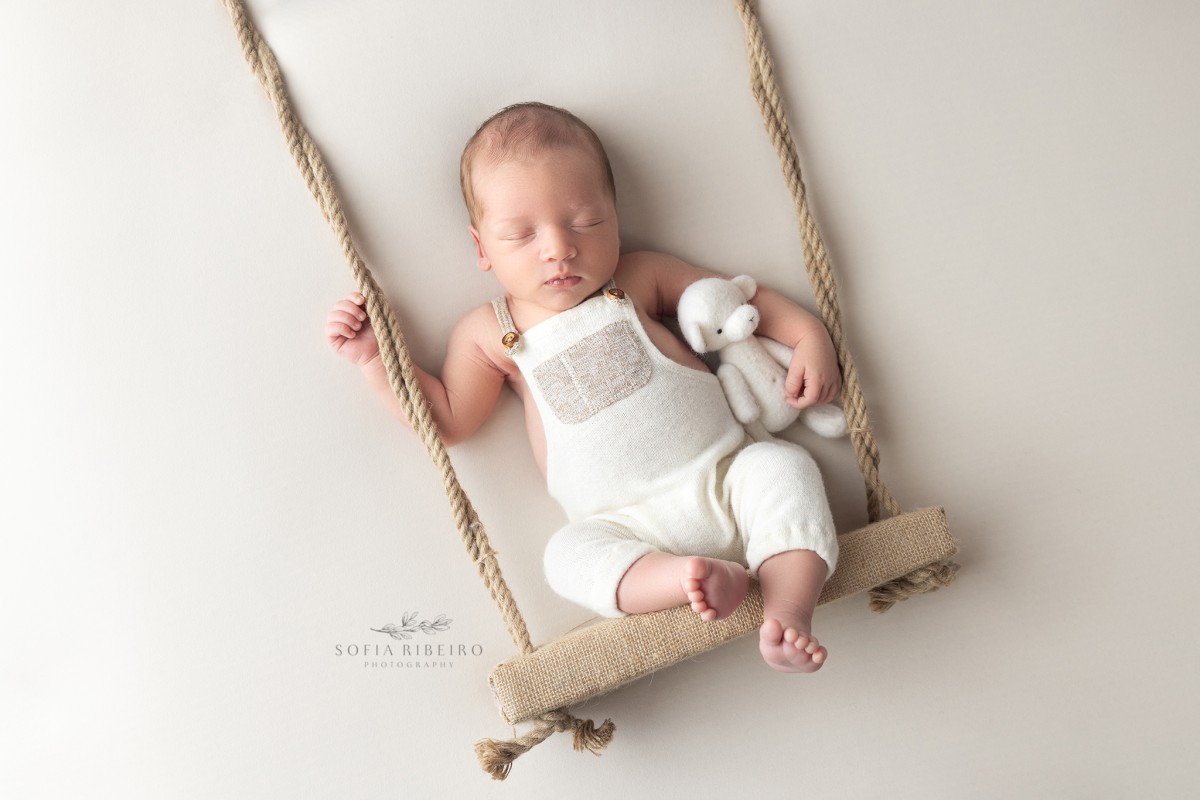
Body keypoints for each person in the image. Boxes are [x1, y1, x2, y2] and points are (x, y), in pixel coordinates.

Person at [325, 102, 841, 673]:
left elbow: (736, 300)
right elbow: (447, 419)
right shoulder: (489, 334)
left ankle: (788, 609)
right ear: (481, 248)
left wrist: (807, 335)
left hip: (724, 475)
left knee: (783, 469)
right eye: (520, 235)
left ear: (614, 218)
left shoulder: (641, 277)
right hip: (621, 526)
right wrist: (376, 359)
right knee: (566, 557)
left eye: (584, 222)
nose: (558, 248)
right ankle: (682, 580)